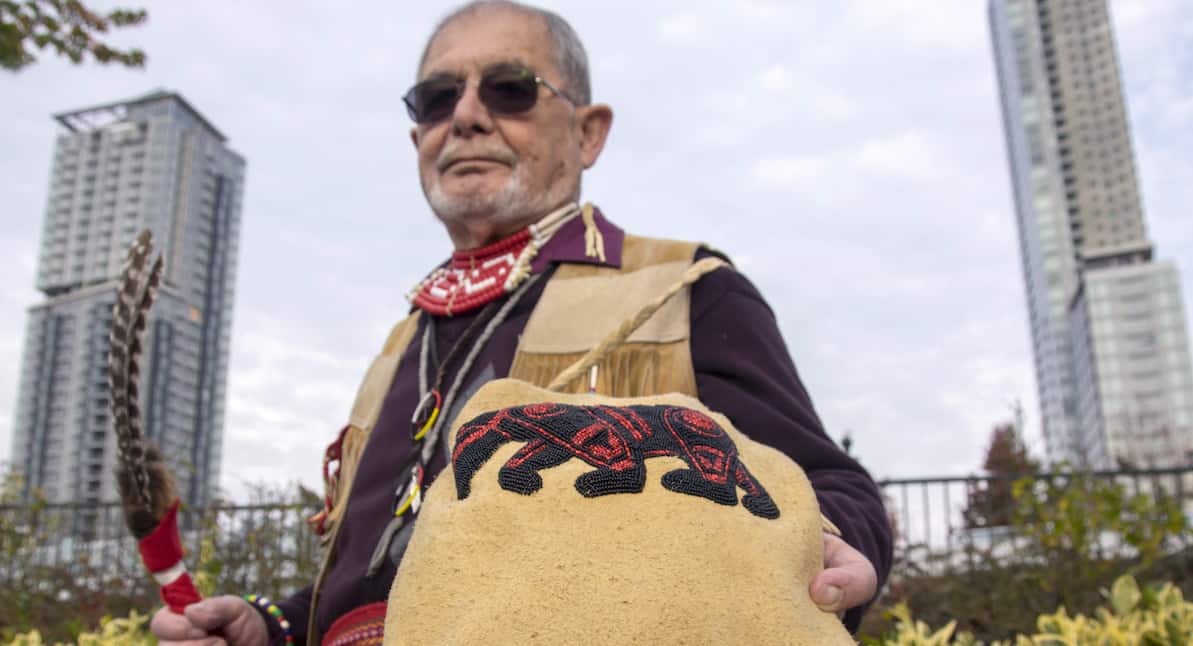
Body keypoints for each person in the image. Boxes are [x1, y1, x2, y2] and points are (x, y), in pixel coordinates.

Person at [151, 2, 892, 644]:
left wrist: (833, 546)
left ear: (588, 132)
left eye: (509, 89)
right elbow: (392, 574)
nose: (467, 115)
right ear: (418, 141)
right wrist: (273, 627)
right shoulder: (402, 341)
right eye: (436, 99)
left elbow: (830, 486)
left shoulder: (684, 289)